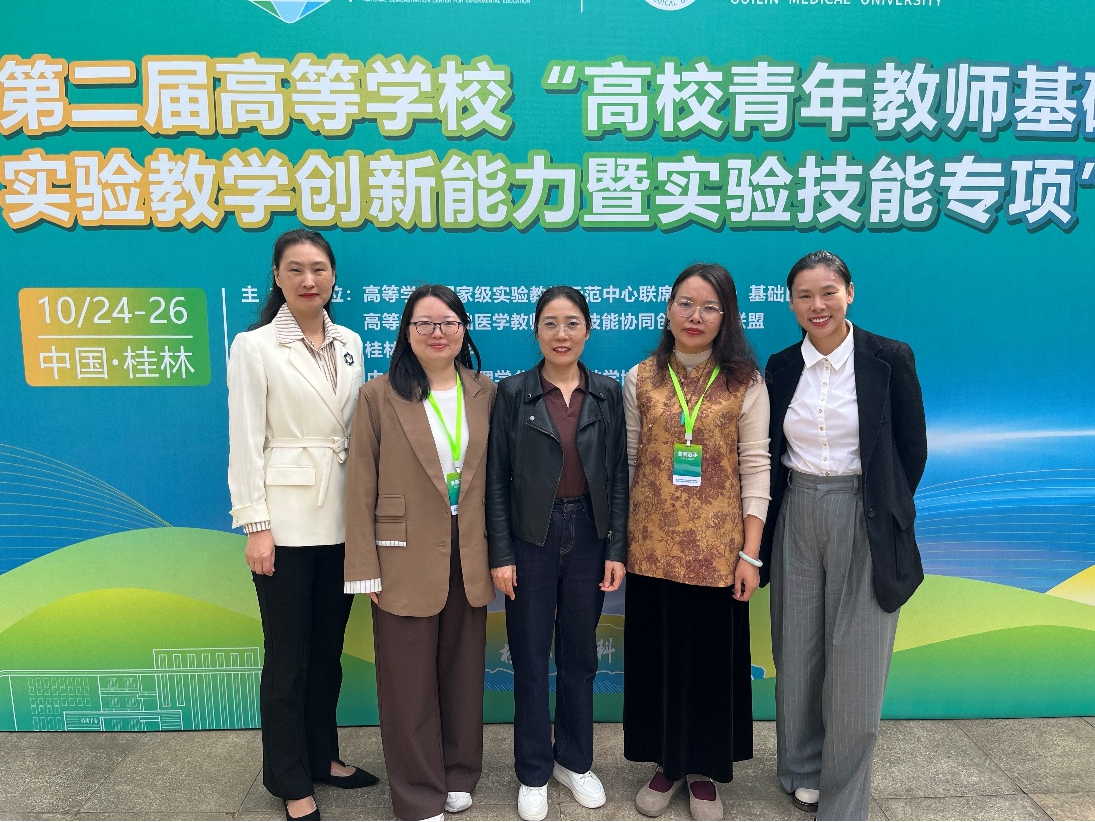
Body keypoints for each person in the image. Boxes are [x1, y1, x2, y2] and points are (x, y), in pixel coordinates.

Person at [760, 250, 927, 821]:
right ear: (791, 303)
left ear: (849, 293)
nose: (818, 305)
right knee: (797, 650)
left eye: (828, 292)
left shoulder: (889, 358)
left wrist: (882, 504)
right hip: (798, 510)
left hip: (866, 514)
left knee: (857, 660)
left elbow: (911, 449)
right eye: (804, 295)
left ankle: (844, 797)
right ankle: (802, 768)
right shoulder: (782, 366)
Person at [227, 228, 379, 822]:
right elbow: (245, 440)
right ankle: (290, 779)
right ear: (277, 277)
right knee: (288, 657)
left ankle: (323, 756)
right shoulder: (255, 346)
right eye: (295, 269)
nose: (308, 279)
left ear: (334, 276)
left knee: (328, 652)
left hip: (342, 519)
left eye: (319, 268)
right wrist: (256, 525)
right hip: (285, 524)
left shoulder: (351, 342)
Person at [622, 263, 771, 822]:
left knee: (709, 664)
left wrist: (750, 553)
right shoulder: (641, 377)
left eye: (710, 307)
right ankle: (667, 764)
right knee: (658, 659)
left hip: (718, 552)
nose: (695, 316)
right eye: (685, 303)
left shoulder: (745, 381)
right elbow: (629, 462)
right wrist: (619, 543)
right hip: (652, 549)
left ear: (726, 317)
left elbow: (756, 467)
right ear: (668, 310)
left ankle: (704, 771)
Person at [344, 285, 496, 822]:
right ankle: (416, 793)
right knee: (406, 683)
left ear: (463, 330)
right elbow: (360, 484)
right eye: (424, 323)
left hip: (469, 550)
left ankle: (458, 773)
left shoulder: (485, 391)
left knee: (463, 673)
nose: (437, 333)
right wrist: (364, 567)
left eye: (448, 322)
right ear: (406, 333)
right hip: (400, 555)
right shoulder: (378, 395)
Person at [486, 286, 629, 822]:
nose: (561, 334)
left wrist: (616, 547)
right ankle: (532, 770)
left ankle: (574, 760)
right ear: (536, 331)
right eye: (550, 323)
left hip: (589, 535)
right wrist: (502, 553)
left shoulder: (607, 393)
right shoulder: (513, 393)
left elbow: (619, 475)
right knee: (528, 656)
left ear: (588, 330)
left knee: (579, 655)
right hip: (531, 539)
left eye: (572, 323)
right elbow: (497, 479)